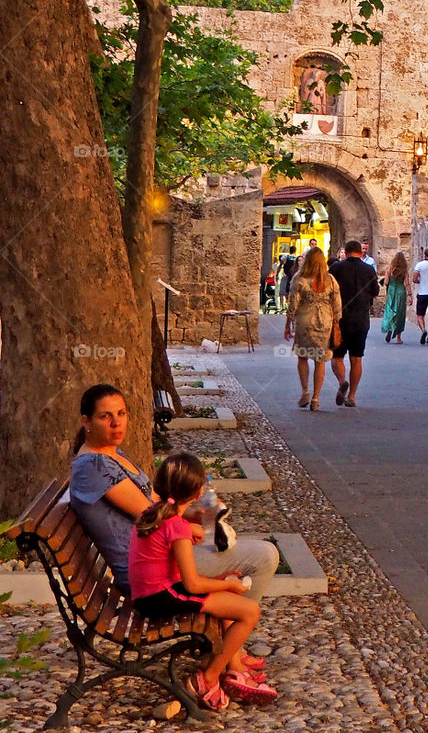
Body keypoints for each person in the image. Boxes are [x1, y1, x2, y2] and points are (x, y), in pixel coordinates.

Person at [69, 386, 278, 678]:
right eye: (105, 417)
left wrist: (196, 507)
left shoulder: (111, 454)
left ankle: (227, 647)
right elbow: (150, 513)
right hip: (150, 573)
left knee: (230, 544)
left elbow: (160, 502)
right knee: (264, 556)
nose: (117, 423)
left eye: (121, 414)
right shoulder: (92, 466)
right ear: (86, 421)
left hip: (158, 555)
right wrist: (188, 522)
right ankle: (229, 652)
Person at [129, 451, 276, 709]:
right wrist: (228, 584)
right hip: (160, 598)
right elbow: (192, 585)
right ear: (197, 494)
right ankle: (207, 679)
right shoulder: (177, 526)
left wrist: (221, 582)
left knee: (231, 601)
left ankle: (231, 667)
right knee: (250, 612)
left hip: (150, 594)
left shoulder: (152, 514)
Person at [284, 246, 342, 410]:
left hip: (305, 321)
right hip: (325, 322)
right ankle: (316, 398)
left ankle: (305, 391)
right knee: (320, 360)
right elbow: (337, 305)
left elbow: (293, 304)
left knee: (302, 357)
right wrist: (336, 321)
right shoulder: (330, 280)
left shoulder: (300, 278)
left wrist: (288, 324)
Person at [330, 239, 380, 407]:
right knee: (357, 358)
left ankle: (342, 381)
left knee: (337, 356)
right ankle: (352, 396)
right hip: (361, 319)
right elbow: (375, 292)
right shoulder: (369, 269)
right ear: (360, 251)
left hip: (340, 319)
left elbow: (328, 290)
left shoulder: (337, 268)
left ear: (347, 251)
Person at [382, 252, 412, 343]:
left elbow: (386, 282)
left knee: (390, 311)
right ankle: (398, 338)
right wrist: (410, 295)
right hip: (400, 291)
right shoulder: (404, 271)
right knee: (400, 313)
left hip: (391, 291)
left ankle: (389, 328)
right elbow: (407, 284)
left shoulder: (389, 269)